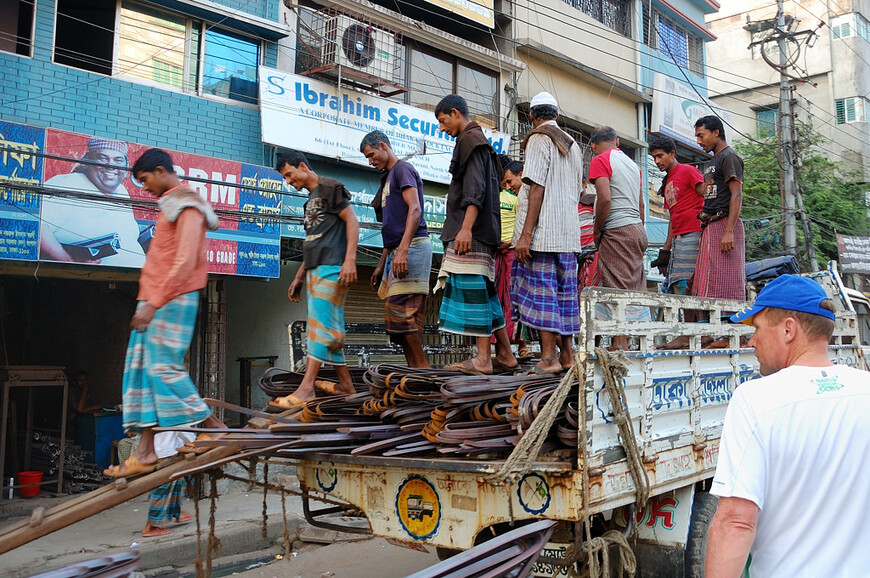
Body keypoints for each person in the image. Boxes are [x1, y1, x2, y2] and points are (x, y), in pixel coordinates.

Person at [706, 274, 870, 577]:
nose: (751, 340)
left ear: (788, 329)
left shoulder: (756, 399)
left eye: (756, 328)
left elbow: (736, 521)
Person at [103, 148, 226, 477]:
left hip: (172, 298)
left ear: (160, 171)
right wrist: (149, 302)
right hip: (156, 299)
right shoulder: (173, 203)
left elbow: (185, 262)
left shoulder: (187, 205)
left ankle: (214, 427)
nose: (144, 188)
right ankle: (145, 451)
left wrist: (154, 303)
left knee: (163, 369)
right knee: (145, 373)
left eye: (144, 180)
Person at [433, 94, 517, 375]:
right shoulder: (480, 142)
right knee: (487, 292)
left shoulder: (470, 140)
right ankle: (504, 353)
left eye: (443, 121)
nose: (442, 128)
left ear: (455, 113)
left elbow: (475, 189)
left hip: (473, 230)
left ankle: (482, 359)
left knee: (473, 292)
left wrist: (465, 228)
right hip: (483, 230)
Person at [270, 150, 359, 408]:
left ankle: (307, 388)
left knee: (318, 329)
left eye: (289, 174)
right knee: (327, 329)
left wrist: (350, 260)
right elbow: (312, 243)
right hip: (315, 271)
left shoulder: (330, 187)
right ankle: (346, 385)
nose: (288, 181)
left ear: (302, 166)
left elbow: (353, 223)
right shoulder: (309, 202)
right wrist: (298, 276)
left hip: (333, 268)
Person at [512, 92, 583, 374]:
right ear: (556, 113)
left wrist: (525, 234)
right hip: (568, 235)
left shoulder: (540, 139)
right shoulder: (573, 144)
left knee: (544, 295)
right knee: (565, 295)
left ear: (532, 117)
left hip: (544, 236)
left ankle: (549, 358)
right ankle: (567, 355)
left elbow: (536, 187)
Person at [360, 130, 433, 368]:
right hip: (397, 251)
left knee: (404, 316)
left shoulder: (403, 170)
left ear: (383, 145)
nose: (370, 161)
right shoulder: (388, 177)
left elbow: (415, 210)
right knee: (397, 324)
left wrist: (401, 252)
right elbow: (390, 227)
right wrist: (382, 264)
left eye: (371, 155)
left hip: (412, 248)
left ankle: (423, 371)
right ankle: (415, 371)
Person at [41, 137, 146, 267]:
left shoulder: (122, 190)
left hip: (136, 278)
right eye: (103, 158)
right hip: (93, 280)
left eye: (118, 160)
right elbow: (37, 226)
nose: (110, 165)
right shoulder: (67, 183)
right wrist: (68, 261)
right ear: (89, 160)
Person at [588, 126, 648, 349]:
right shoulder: (633, 165)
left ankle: (620, 341)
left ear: (593, 145)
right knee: (634, 286)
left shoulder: (601, 160)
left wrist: (597, 229)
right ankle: (632, 338)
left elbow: (604, 199)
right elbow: (641, 204)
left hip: (617, 228)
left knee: (616, 286)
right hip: (637, 229)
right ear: (618, 140)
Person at [693, 115, 745, 300]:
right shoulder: (713, 161)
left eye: (701, 136)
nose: (699, 141)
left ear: (716, 133)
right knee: (708, 279)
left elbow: (736, 194)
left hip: (724, 223)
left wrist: (729, 231)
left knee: (725, 280)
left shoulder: (729, 157)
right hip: (711, 225)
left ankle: (729, 321)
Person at [648, 135, 704, 295]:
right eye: (654, 157)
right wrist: (665, 251)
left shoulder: (688, 171)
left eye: (660, 156)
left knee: (688, 284)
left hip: (694, 233)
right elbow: (673, 217)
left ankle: (694, 321)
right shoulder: (667, 182)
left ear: (672, 154)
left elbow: (707, 197)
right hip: (678, 239)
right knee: (676, 284)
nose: (657, 161)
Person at [498, 157, 534, 360]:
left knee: (517, 299)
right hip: (498, 254)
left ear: (520, 175)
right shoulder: (496, 197)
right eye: (506, 183)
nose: (509, 186)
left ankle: (522, 345)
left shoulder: (525, 198)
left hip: (514, 253)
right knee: (500, 299)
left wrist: (511, 242)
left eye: (510, 181)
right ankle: (503, 349)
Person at [142, 431, 195, 537]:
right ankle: (150, 526)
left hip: (165, 450)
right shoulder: (175, 413)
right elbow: (181, 428)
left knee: (175, 484)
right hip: (165, 452)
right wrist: (195, 441)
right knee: (162, 489)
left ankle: (177, 512)